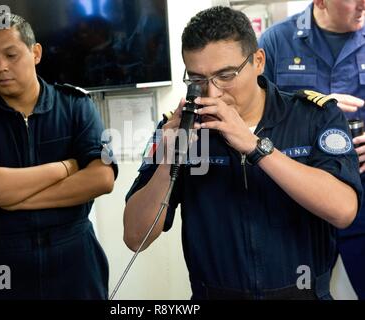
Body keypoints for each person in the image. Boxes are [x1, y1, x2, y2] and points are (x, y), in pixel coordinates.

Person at [123, 6, 362, 300]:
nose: (213, 93)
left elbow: (344, 211)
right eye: (198, 79)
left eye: (226, 75)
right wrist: (166, 164)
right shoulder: (178, 128)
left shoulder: (314, 117)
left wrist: (255, 147)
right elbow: (135, 237)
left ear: (258, 61)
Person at [0, 13, 117, 300]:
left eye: (10, 55)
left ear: (35, 53)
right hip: (4, 261)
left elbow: (102, 178)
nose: (0, 67)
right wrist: (65, 167)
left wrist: (12, 199)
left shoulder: (75, 105)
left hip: (74, 256)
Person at [259, 0, 365, 299]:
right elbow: (251, 114)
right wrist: (315, 109)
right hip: (298, 201)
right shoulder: (276, 42)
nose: (363, 5)